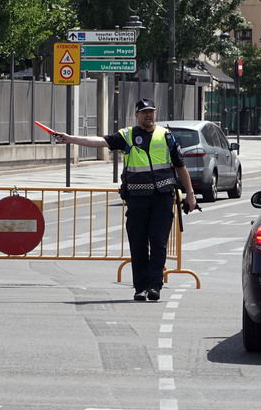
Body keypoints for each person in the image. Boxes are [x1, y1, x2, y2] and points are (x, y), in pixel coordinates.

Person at [53, 98, 197, 302]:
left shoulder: (165, 136)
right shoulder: (127, 135)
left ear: (155, 114)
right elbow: (100, 141)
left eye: (152, 112)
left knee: (159, 243)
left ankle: (155, 285)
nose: (149, 115)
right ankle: (140, 287)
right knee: (138, 244)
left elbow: (180, 166)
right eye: (144, 112)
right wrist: (71, 139)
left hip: (162, 198)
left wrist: (190, 194)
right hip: (137, 199)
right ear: (137, 115)